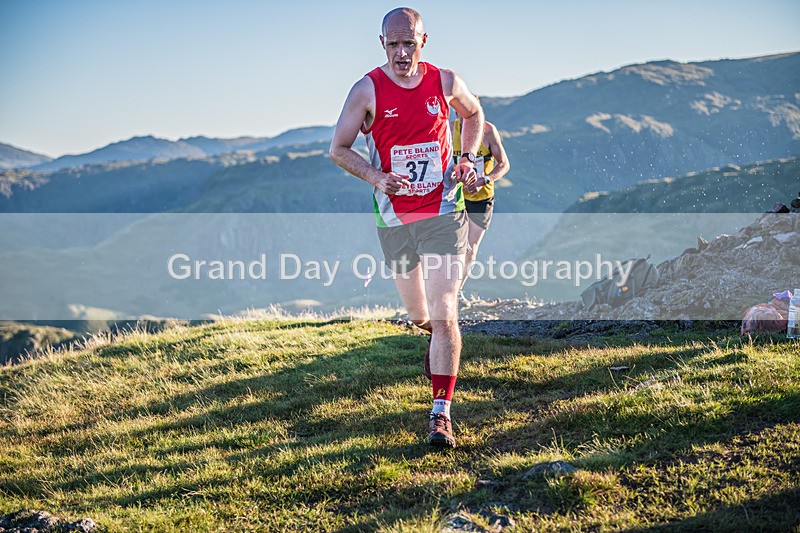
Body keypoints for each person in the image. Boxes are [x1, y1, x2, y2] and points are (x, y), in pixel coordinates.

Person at [329, 7, 484, 448]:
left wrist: (467, 158)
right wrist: (377, 177)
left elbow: (473, 116)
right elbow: (338, 148)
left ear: (423, 41)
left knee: (444, 309)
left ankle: (441, 413)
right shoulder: (367, 90)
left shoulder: (445, 81)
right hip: (394, 219)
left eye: (409, 43)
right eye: (393, 44)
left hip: (443, 213)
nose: (401, 52)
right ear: (383, 44)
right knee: (421, 316)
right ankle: (436, 346)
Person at [452, 105, 510, 306]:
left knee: (470, 248)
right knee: (451, 246)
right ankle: (444, 292)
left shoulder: (488, 131)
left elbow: (504, 164)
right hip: (455, 197)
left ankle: (456, 293)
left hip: (482, 197)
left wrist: (484, 180)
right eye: (461, 112)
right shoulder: (449, 131)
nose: (466, 116)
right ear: (456, 113)